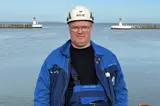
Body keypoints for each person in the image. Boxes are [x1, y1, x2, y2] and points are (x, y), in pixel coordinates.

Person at [34, 5, 128, 106]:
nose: (80, 32)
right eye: (75, 27)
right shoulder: (53, 60)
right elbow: (41, 95)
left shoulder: (109, 58)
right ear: (69, 28)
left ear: (91, 27)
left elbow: (120, 91)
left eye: (84, 27)